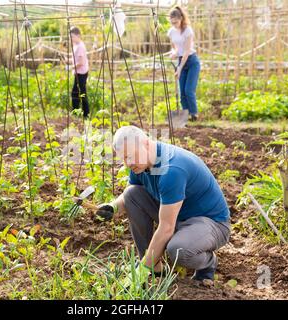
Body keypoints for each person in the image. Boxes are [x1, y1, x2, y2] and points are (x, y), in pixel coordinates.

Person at [96, 126, 231, 283]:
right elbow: (129, 197)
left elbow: (166, 228)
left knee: (179, 250)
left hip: (210, 223)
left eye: (131, 156)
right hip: (177, 217)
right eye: (124, 158)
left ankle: (208, 263)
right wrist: (112, 207)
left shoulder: (171, 170)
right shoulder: (141, 162)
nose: (129, 163)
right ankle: (155, 267)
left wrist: (140, 273)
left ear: (146, 143)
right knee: (131, 194)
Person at [167, 6, 201, 122]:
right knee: (182, 92)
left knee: (189, 90)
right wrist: (174, 53)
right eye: (172, 23)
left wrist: (179, 68)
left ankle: (194, 114)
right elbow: (177, 49)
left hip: (191, 61)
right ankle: (185, 116)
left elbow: (186, 51)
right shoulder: (171, 32)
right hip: (181, 60)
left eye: (176, 22)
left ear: (181, 18)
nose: (174, 25)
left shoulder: (188, 31)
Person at [68, 26, 90, 118]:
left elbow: (81, 62)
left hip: (81, 73)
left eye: (72, 36)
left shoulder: (80, 46)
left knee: (80, 93)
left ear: (78, 35)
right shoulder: (76, 45)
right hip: (78, 72)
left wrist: (71, 67)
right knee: (76, 92)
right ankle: (78, 112)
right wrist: (69, 60)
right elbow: (76, 58)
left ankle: (84, 113)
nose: (71, 38)